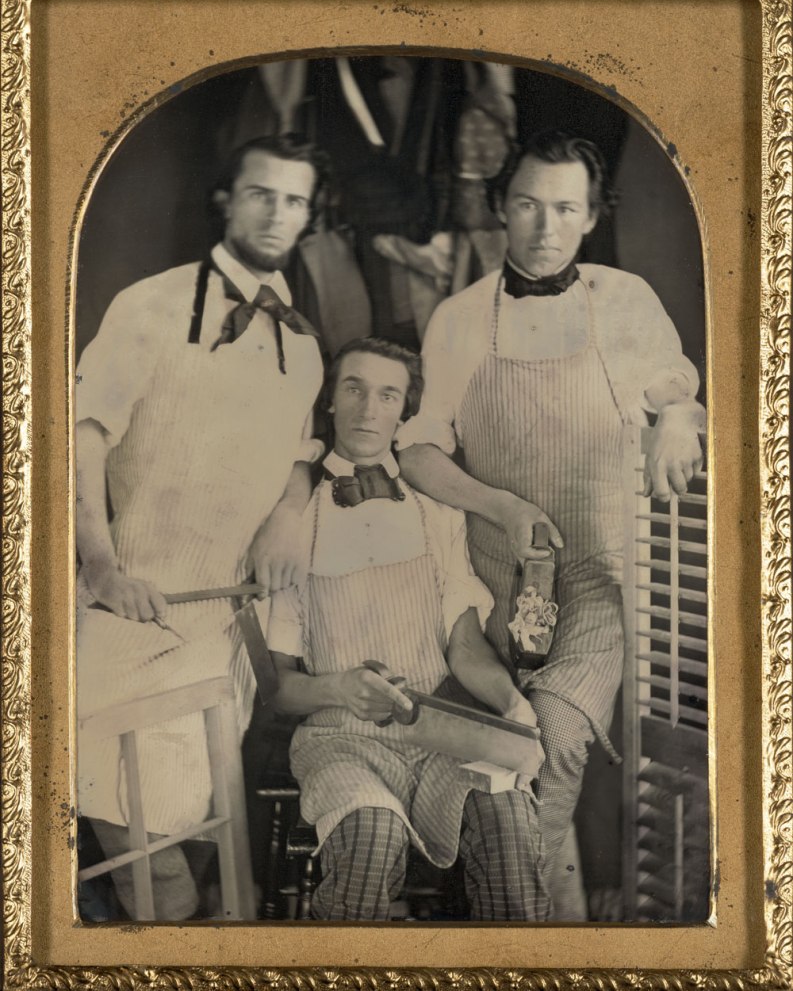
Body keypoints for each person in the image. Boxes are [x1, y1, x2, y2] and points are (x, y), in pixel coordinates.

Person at [397, 130, 706, 915]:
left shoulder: (625, 300)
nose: (544, 226)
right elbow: (420, 452)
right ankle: (524, 915)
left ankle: (514, 922)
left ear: (590, 217)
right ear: (501, 207)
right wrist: (498, 505)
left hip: (601, 580)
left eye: (564, 208)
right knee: (505, 747)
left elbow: (675, 387)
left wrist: (676, 416)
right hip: (492, 579)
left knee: (556, 733)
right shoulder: (459, 317)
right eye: (528, 205)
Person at [76, 135, 327, 920]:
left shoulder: (306, 346)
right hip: (124, 613)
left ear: (309, 212)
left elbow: (298, 453)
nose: (275, 212)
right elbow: (77, 435)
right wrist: (103, 565)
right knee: (140, 853)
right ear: (227, 197)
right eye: (260, 193)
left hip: (223, 625)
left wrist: (288, 512)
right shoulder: (149, 305)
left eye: (293, 199)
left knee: (173, 847)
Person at [266, 337, 549, 921]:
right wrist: (340, 688)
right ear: (330, 404)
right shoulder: (298, 523)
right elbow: (279, 688)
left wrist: (511, 704)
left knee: (508, 818)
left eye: (387, 394)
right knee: (370, 836)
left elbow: (464, 646)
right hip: (338, 744)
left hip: (439, 736)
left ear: (403, 412)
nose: (369, 409)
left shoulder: (436, 515)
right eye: (354, 389)